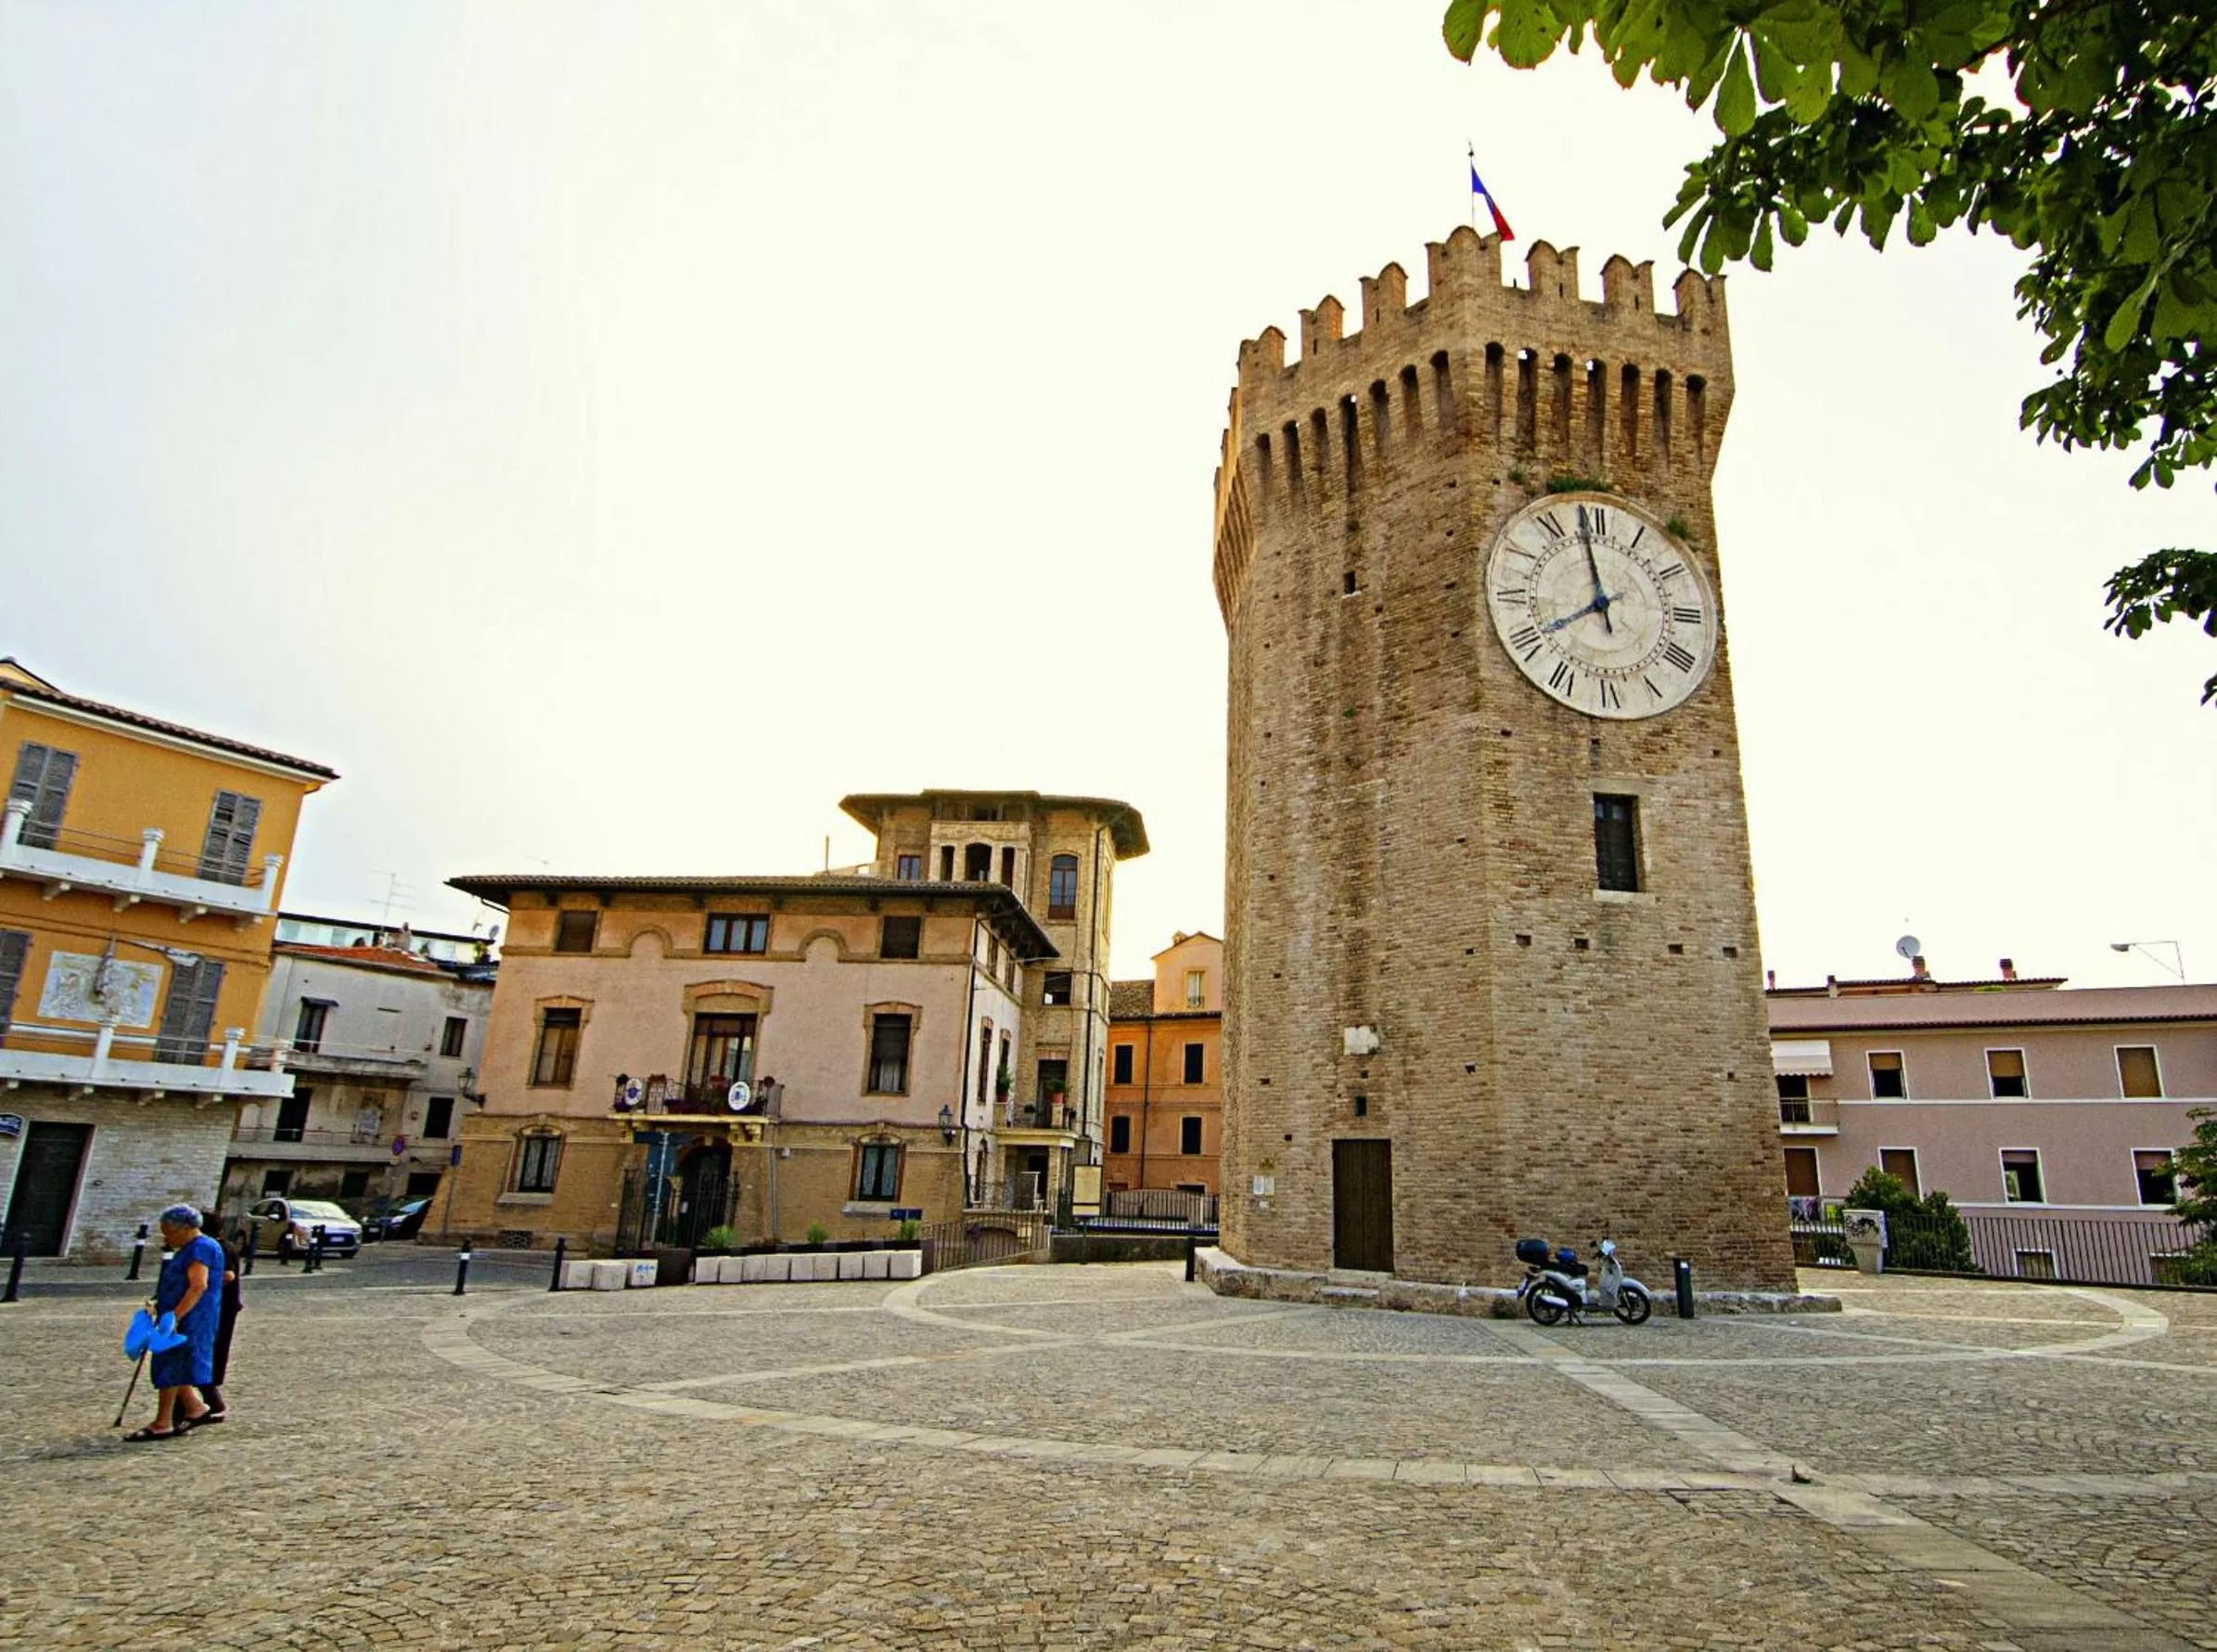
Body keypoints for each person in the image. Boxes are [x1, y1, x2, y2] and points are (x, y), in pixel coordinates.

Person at [123, 1204, 223, 1441]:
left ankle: (163, 1423)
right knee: (174, 1363)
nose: (166, 1238)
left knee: (170, 1364)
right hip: (181, 1316)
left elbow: (198, 1286)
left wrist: (174, 1317)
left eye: (169, 1232)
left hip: (190, 1318)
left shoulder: (201, 1248)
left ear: (186, 1228)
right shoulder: (189, 1247)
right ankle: (194, 1407)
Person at [196, 1209, 243, 1423]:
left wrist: (198, 1282)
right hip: (217, 1308)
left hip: (220, 1309)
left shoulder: (218, 1248)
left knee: (207, 1353)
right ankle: (198, 1403)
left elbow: (227, 1275)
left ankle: (211, 1403)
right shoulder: (216, 1246)